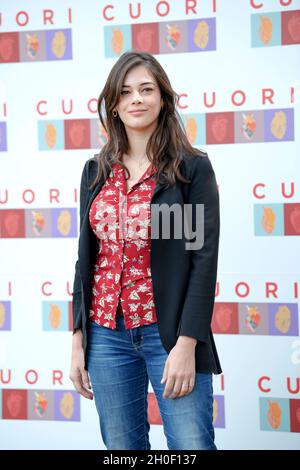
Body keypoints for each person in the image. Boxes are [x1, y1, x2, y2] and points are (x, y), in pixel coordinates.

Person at [69, 50, 222, 450]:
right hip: (105, 335)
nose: (136, 98)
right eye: (125, 92)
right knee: (124, 450)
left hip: (167, 332)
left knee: (191, 446)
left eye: (146, 89)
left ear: (163, 99)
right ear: (114, 106)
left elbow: (202, 261)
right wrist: (77, 339)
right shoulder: (95, 171)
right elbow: (87, 261)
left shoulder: (188, 170)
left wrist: (187, 342)